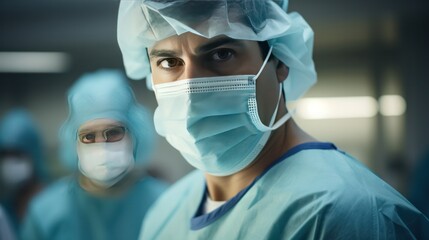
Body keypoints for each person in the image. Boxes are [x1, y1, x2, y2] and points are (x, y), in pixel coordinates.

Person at [117, 0, 428, 239]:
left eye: (221, 53)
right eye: (169, 61)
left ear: (279, 60)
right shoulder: (166, 212)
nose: (191, 89)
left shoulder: (343, 211)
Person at [20, 69, 168, 240]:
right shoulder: (46, 212)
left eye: (113, 133)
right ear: (73, 142)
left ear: (135, 135)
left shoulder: (165, 204)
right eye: (88, 136)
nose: (101, 146)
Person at [0, 109, 47, 234]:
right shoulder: (5, 211)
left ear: (34, 154)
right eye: (5, 155)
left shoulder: (55, 207)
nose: (10, 163)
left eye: (17, 154)